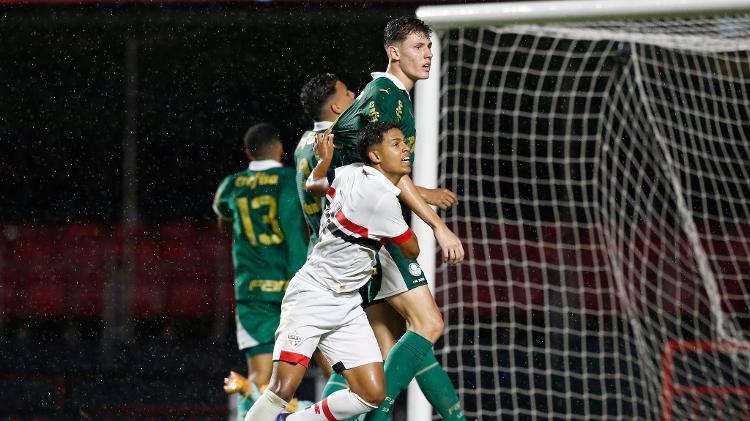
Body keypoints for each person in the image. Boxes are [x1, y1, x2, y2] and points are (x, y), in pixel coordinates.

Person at [320, 16, 466, 421]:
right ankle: (373, 414)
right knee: (429, 324)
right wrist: (438, 226)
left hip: (362, 230)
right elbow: (359, 150)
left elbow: (380, 166)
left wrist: (422, 193)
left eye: (430, 47)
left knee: (390, 342)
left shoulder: (394, 96)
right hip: (376, 233)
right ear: (394, 51)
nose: (428, 55)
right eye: (419, 47)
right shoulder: (384, 94)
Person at [245, 122, 430, 421]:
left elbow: (314, 185)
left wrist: (323, 163)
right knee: (282, 389)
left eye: (404, 143)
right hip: (312, 295)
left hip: (346, 304)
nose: (406, 148)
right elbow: (412, 250)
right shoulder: (382, 199)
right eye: (396, 144)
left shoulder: (352, 172)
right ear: (376, 155)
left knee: (371, 394)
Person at [213, 123, 308, 420]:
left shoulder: (232, 184)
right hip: (292, 286)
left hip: (252, 291)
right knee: (333, 369)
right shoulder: (289, 178)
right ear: (280, 149)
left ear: (247, 153)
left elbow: (223, 216)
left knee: (259, 380)